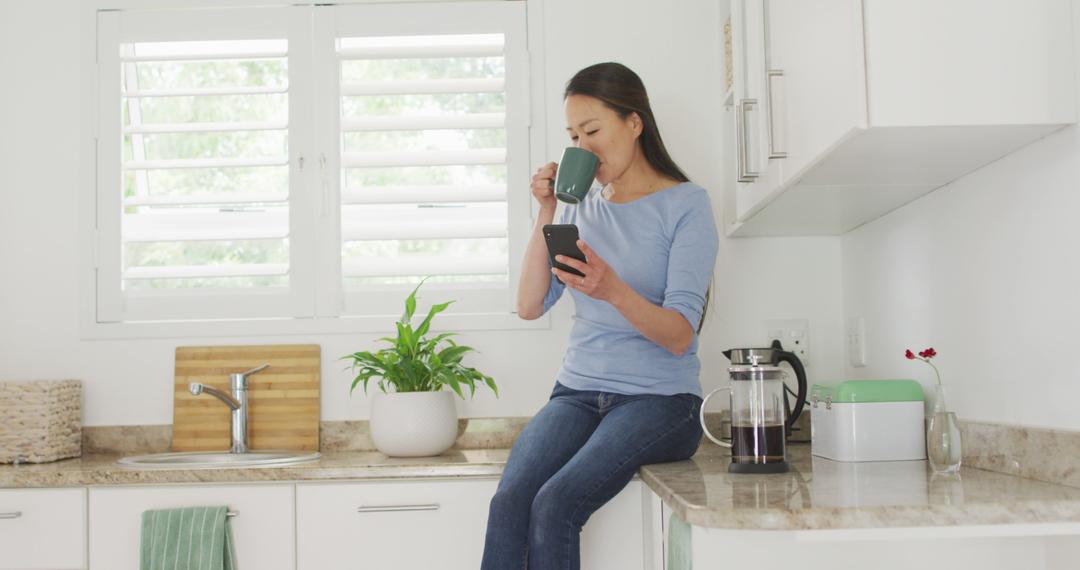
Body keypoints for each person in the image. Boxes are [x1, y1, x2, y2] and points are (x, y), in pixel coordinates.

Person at [480, 62, 719, 570]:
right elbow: (528, 305)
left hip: (662, 400)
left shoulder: (686, 206)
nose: (583, 147)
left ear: (634, 123)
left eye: (592, 131)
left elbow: (679, 335)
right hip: (578, 392)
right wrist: (546, 210)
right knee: (509, 502)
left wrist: (613, 290)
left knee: (557, 502)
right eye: (572, 136)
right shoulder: (576, 205)